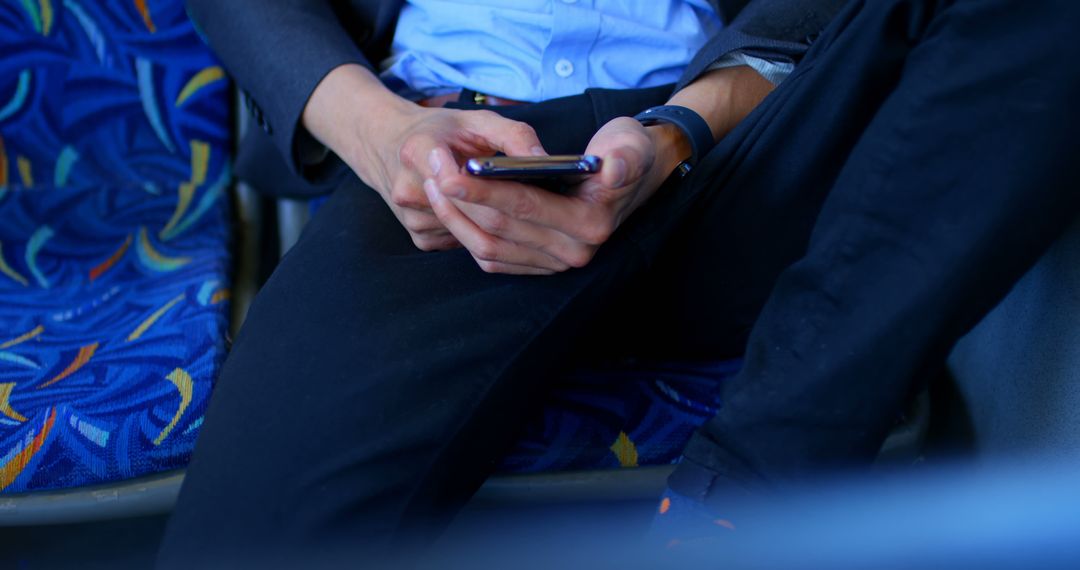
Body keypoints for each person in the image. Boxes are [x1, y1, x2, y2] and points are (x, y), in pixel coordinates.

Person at [158, 0, 1080, 565]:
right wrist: (388, 138)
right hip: (451, 165)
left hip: (730, 134)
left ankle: (746, 499)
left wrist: (680, 126)